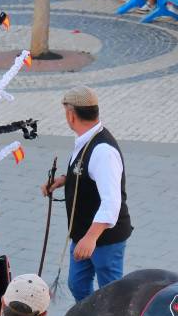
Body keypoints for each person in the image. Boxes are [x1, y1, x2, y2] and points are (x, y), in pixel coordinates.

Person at [41, 86, 133, 303]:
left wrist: (90, 238)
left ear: (71, 115)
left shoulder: (103, 151)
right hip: (82, 233)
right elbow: (87, 172)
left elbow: (112, 203)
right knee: (77, 284)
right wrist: (65, 180)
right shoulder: (87, 139)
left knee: (111, 294)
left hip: (104, 239)